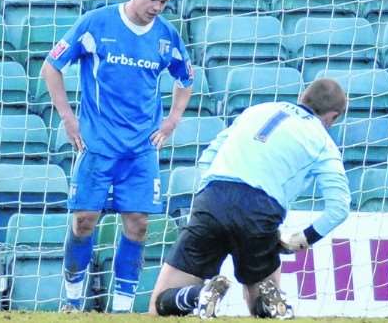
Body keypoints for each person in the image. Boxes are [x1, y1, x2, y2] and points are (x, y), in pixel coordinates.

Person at [40, 0, 193, 313]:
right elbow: (52, 66)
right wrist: (67, 117)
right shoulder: (96, 23)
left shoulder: (166, 35)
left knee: (138, 225)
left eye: (164, 3)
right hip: (96, 144)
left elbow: (186, 78)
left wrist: (172, 120)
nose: (157, 8)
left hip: (141, 149)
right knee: (83, 222)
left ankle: (122, 311)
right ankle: (73, 304)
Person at [148, 78, 351, 319]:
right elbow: (339, 208)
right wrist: (301, 240)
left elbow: (207, 158)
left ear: (301, 98)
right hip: (261, 211)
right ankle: (268, 304)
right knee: (262, 297)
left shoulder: (256, 111)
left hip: (214, 198)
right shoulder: (323, 142)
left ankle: (198, 296)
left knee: (160, 303)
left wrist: (208, 199)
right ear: (333, 117)